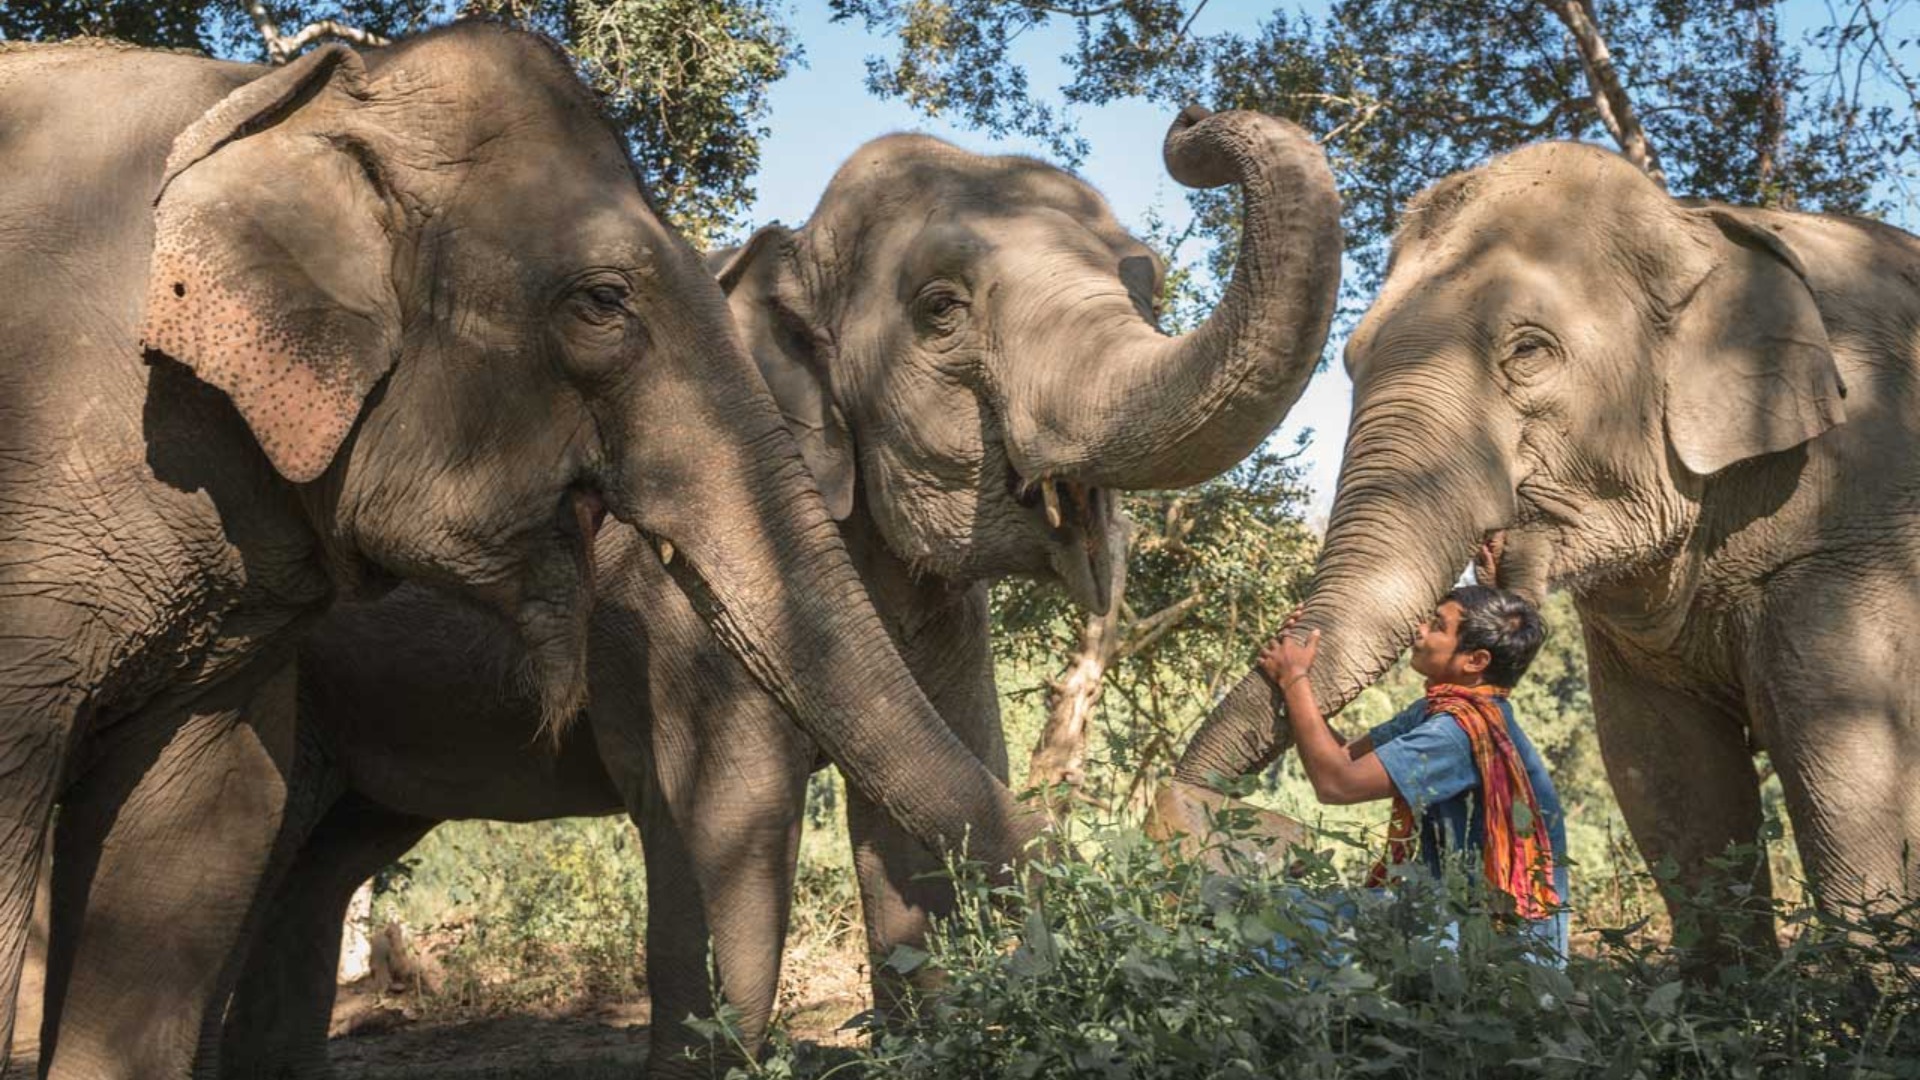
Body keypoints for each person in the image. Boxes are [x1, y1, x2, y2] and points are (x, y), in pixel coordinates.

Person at [1256, 583, 1570, 958]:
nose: (1419, 630)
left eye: (1437, 626)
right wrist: (1297, 675)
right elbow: (1342, 756)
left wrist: (1294, 679)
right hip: (1447, 912)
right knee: (1283, 906)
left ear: (1475, 661)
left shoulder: (1458, 731)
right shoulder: (1441, 710)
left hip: (1491, 945)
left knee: (1281, 923)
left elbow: (1336, 783)